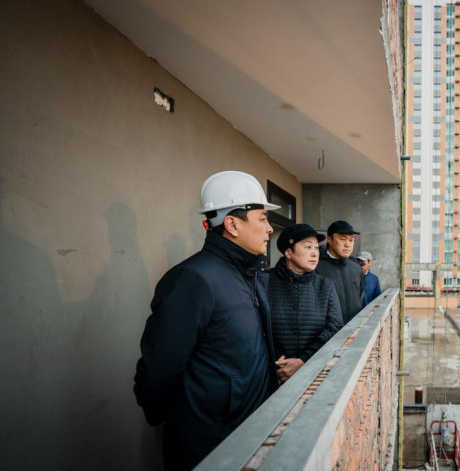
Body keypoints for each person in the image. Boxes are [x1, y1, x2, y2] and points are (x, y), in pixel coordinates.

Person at [134, 171, 280, 471]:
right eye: (263, 218)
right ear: (232, 224)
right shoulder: (194, 279)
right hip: (209, 443)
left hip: (247, 433)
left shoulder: (250, 274)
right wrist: (177, 421)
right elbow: (160, 368)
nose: (270, 229)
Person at [268, 224, 343, 382]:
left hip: (313, 372)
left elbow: (334, 327)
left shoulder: (325, 285)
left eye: (316, 247)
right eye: (308, 247)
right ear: (289, 252)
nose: (314, 253)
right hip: (272, 372)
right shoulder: (265, 281)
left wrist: (304, 360)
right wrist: (278, 361)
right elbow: (256, 328)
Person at [315, 220, 365, 324]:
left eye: (351, 240)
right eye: (342, 239)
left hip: (355, 329)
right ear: (329, 239)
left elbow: (362, 299)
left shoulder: (356, 268)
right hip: (329, 331)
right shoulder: (316, 268)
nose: (347, 244)